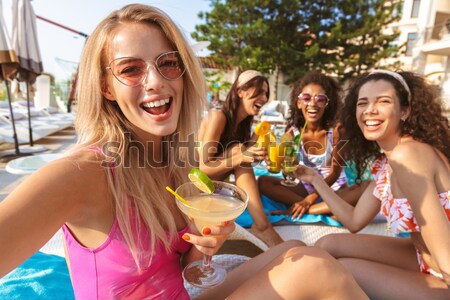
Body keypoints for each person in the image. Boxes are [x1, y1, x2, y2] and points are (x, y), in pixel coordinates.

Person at [0, 4, 368, 299]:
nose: (156, 81)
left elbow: (179, 267)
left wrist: (202, 245)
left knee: (303, 254)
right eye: (130, 69)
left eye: (168, 63)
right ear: (106, 88)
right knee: (314, 271)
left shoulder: (173, 161)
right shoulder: (84, 172)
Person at [293, 70, 450, 299]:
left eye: (383, 101)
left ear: (405, 111)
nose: (369, 111)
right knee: (328, 244)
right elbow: (355, 221)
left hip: (443, 272)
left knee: (334, 270)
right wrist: (315, 179)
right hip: (420, 256)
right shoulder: (391, 161)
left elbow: (445, 252)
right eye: (362, 103)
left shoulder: (409, 155)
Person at [259, 71, 369, 220]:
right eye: (306, 98)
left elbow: (335, 173)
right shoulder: (292, 132)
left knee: (365, 187)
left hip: (333, 188)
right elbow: (289, 174)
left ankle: (308, 208)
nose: (312, 104)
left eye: (320, 99)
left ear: (327, 104)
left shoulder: (336, 130)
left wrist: (309, 200)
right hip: (305, 186)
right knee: (263, 182)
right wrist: (282, 165)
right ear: (298, 103)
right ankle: (325, 209)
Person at [197, 70, 283, 247]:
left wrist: (258, 146)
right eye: (258, 92)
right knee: (239, 153)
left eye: (266, 93)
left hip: (215, 187)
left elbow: (246, 162)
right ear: (240, 92)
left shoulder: (244, 125)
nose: (264, 98)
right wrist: (241, 156)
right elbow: (203, 168)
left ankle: (261, 225)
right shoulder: (218, 116)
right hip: (194, 184)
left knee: (241, 155)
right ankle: (262, 225)